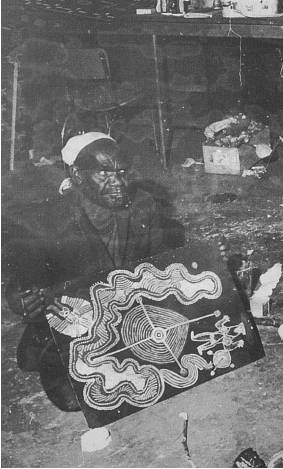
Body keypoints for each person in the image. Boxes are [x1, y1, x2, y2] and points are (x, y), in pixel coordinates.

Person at [2, 132, 173, 412]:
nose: (117, 182)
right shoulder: (50, 220)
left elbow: (162, 258)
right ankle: (38, 343)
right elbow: (24, 279)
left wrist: (209, 264)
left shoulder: (143, 205)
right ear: (78, 175)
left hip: (121, 307)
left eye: (121, 172)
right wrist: (19, 300)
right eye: (104, 174)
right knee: (78, 397)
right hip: (78, 316)